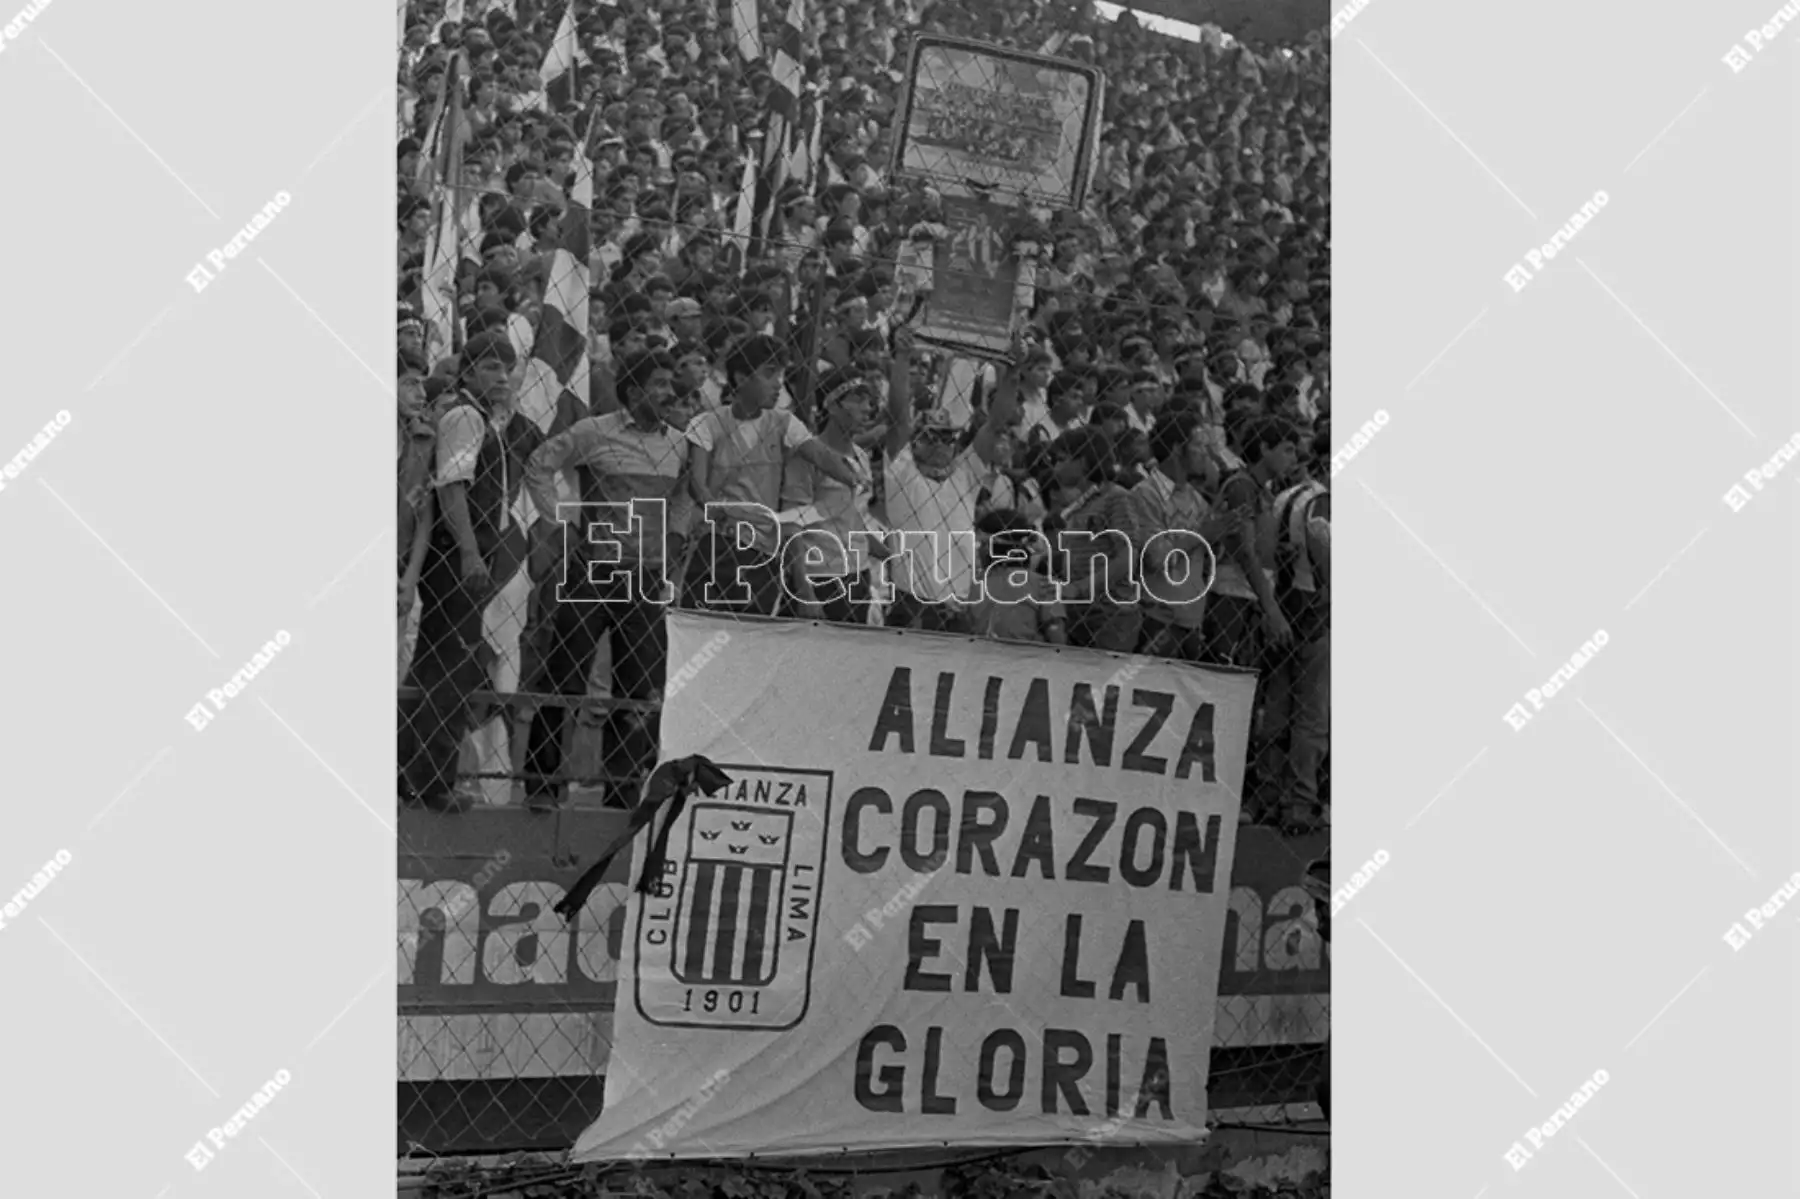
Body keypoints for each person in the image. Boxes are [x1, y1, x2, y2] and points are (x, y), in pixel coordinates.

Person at [522, 349, 691, 810]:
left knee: (638, 687)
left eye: (670, 382)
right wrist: (559, 523)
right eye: (658, 383)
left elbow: (684, 495)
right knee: (566, 677)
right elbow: (538, 463)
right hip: (594, 570)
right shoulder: (593, 431)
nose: (669, 391)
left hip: (646, 578)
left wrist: (675, 536)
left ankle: (622, 793)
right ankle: (541, 786)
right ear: (634, 392)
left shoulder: (679, 444)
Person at [400, 332, 532, 813]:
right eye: (491, 367)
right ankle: (433, 781)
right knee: (450, 669)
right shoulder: (465, 416)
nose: (502, 377)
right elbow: (453, 488)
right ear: (470, 370)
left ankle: (406, 772)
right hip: (457, 559)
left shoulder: (481, 418)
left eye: (508, 368)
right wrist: (471, 553)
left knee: (435, 665)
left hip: (464, 556)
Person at [684, 334, 862, 615]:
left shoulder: (783, 423)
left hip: (763, 551)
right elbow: (697, 482)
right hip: (719, 543)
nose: (779, 382)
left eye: (781, 373)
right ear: (741, 378)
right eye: (769, 374)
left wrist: (852, 476)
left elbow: (818, 453)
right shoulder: (707, 424)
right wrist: (713, 507)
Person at [879, 329, 1018, 633]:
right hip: (912, 604)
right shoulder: (902, 476)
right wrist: (902, 358)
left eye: (947, 437)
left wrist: (1013, 374)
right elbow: (898, 419)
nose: (940, 444)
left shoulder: (964, 475)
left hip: (959, 606)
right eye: (930, 437)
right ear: (914, 444)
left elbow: (997, 423)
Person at [781, 365, 882, 625]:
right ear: (833, 405)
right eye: (857, 399)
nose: (867, 407)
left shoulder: (860, 457)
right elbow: (792, 525)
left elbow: (854, 516)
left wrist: (890, 551)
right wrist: (804, 590)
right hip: (821, 578)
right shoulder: (808, 457)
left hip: (858, 575)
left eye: (868, 400)